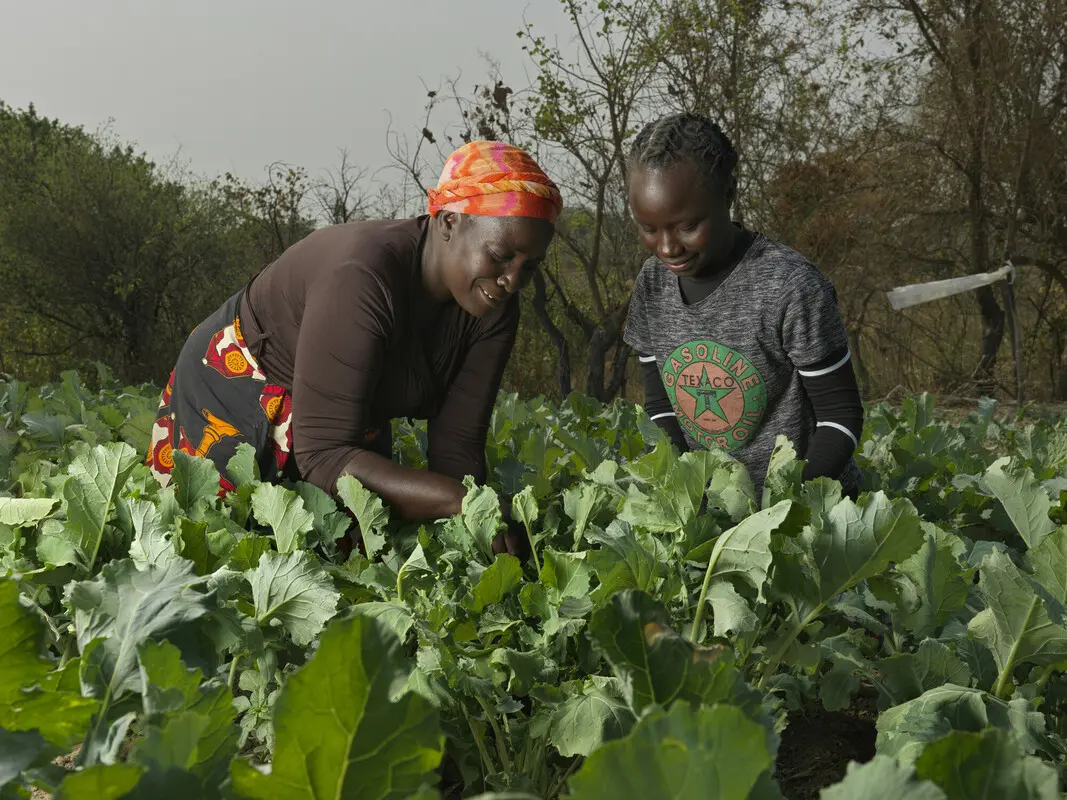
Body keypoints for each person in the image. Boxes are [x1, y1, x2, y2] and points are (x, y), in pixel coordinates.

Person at [146, 140, 561, 556]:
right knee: (223, 545)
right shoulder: (361, 278)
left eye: (530, 267)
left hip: (344, 423)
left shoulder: (493, 308)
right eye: (499, 255)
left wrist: (479, 523)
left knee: (351, 549)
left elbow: (457, 448)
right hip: (237, 387)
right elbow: (325, 453)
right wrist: (458, 502)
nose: (512, 280)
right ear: (449, 223)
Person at [622, 112, 864, 499]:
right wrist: (686, 491)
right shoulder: (652, 285)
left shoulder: (790, 285)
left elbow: (841, 418)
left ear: (728, 193)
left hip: (809, 513)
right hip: (712, 514)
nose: (667, 247)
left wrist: (786, 508)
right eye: (648, 228)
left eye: (687, 226)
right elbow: (660, 406)